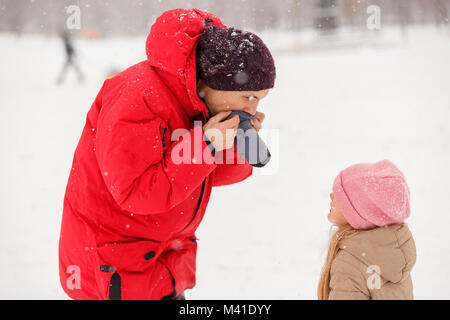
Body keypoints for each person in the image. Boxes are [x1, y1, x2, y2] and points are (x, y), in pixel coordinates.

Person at [58, 8, 276, 300]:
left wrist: (233, 143)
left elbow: (207, 176)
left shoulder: (199, 100)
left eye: (259, 100)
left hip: (163, 257)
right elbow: (136, 191)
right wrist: (207, 145)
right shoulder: (137, 97)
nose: (252, 107)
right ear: (213, 83)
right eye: (247, 97)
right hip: (116, 265)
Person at [317, 160, 416, 299]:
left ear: (358, 212)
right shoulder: (393, 255)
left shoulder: (350, 265)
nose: (331, 196)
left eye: (340, 195)